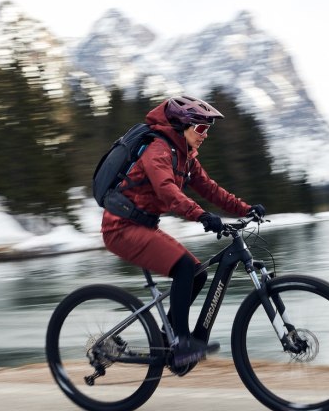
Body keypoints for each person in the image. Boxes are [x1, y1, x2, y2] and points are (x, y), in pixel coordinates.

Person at [101, 95, 265, 366]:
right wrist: (201, 215)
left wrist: (245, 209)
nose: (205, 134)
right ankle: (181, 342)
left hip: (143, 226)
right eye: (200, 128)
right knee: (185, 268)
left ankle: (168, 339)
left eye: (207, 129)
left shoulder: (185, 156)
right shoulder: (158, 150)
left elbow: (210, 189)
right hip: (120, 228)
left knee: (197, 273)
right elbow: (167, 191)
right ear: (182, 125)